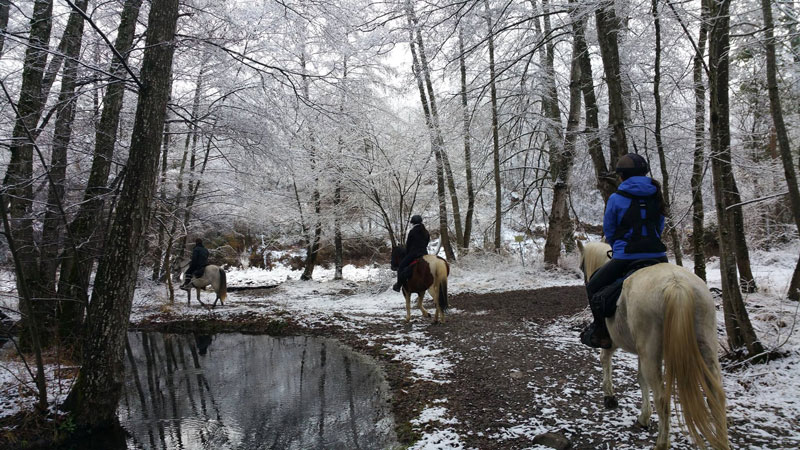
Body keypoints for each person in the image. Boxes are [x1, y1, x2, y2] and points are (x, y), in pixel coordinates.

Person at [581, 153, 669, 348]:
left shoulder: (616, 198)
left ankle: (601, 332)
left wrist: (619, 247)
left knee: (593, 286)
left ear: (622, 176)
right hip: (658, 256)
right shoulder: (656, 193)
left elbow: (610, 230)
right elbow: (659, 226)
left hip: (626, 257)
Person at [393, 214, 430, 292]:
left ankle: (398, 285)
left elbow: (408, 244)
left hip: (414, 254)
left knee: (401, 267)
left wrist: (407, 253)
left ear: (413, 223)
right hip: (424, 253)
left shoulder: (412, 232)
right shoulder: (426, 232)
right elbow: (427, 242)